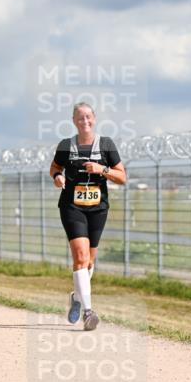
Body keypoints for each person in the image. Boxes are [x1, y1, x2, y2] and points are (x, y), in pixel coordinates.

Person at [49, 103, 127, 331]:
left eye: (89, 117)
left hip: (98, 208)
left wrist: (101, 169)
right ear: (74, 121)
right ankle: (89, 312)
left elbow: (122, 176)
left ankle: (76, 297)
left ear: (95, 118)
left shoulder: (106, 144)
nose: (85, 121)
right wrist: (57, 177)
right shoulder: (65, 145)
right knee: (81, 257)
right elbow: (55, 166)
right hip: (72, 207)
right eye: (80, 117)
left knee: (89, 262)